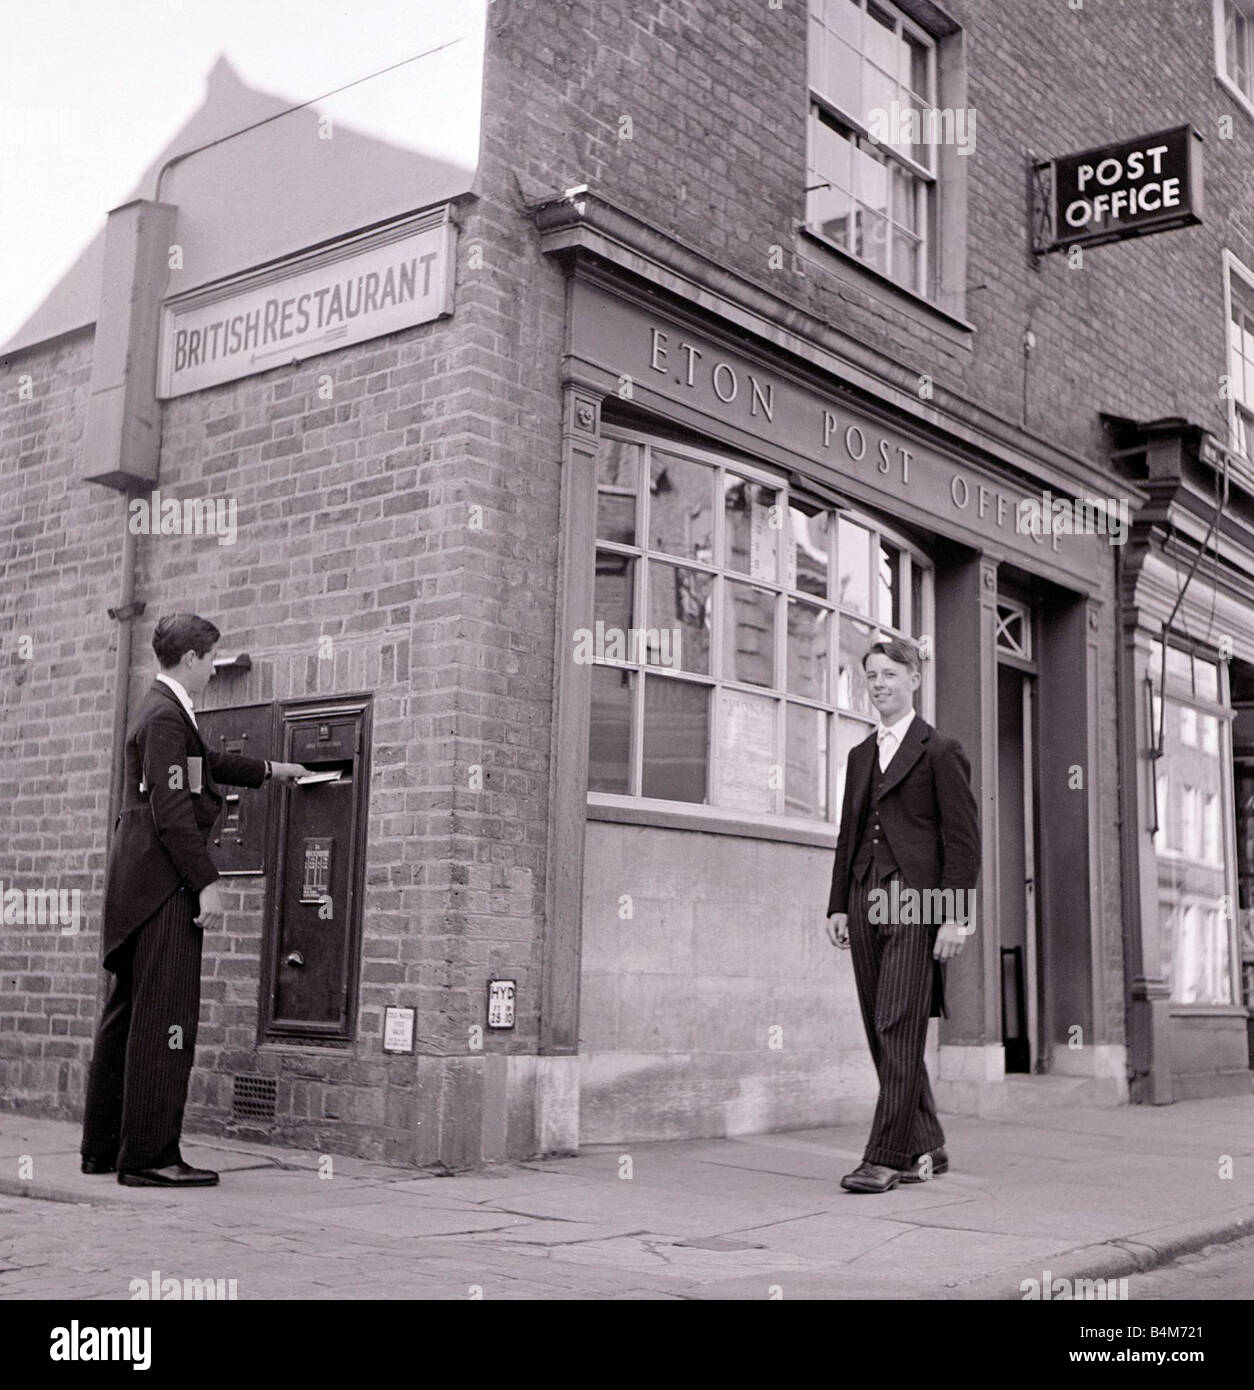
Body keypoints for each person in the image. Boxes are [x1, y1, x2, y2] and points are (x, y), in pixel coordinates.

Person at [80, 614, 310, 1187]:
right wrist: (206, 881)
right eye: (211, 659)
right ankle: (151, 1158)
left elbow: (201, 767)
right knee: (166, 1020)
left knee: (128, 1015)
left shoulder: (159, 707)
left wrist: (271, 770)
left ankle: (103, 1149)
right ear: (190, 658)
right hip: (164, 889)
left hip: (140, 887)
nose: (214, 668)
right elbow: (172, 808)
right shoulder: (164, 716)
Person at [825, 636, 980, 1194]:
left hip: (918, 905)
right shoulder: (859, 754)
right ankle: (929, 1144)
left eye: (890, 673)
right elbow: (849, 834)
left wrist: (955, 918)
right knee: (880, 1027)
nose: (880, 683)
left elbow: (962, 840)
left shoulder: (941, 750)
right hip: (866, 900)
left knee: (898, 1023)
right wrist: (838, 903)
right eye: (872, 675)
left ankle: (886, 1155)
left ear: (914, 679)